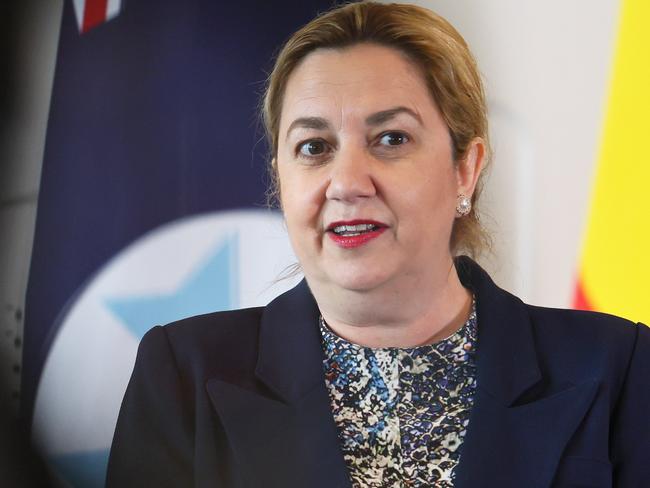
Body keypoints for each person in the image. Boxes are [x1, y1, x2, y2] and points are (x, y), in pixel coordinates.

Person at [106, 2, 650, 487]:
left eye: (391, 139)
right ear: (280, 179)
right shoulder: (183, 373)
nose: (346, 182)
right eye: (314, 146)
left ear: (466, 168)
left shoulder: (619, 367)